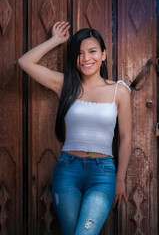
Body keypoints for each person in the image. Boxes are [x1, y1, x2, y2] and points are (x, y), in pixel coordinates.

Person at [18, 21, 132, 235]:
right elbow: (25, 62)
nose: (86, 58)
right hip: (67, 172)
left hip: (103, 173)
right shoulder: (65, 85)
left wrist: (120, 178)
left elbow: (126, 137)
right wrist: (55, 41)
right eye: (80, 53)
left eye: (92, 51)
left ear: (104, 55)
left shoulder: (119, 91)